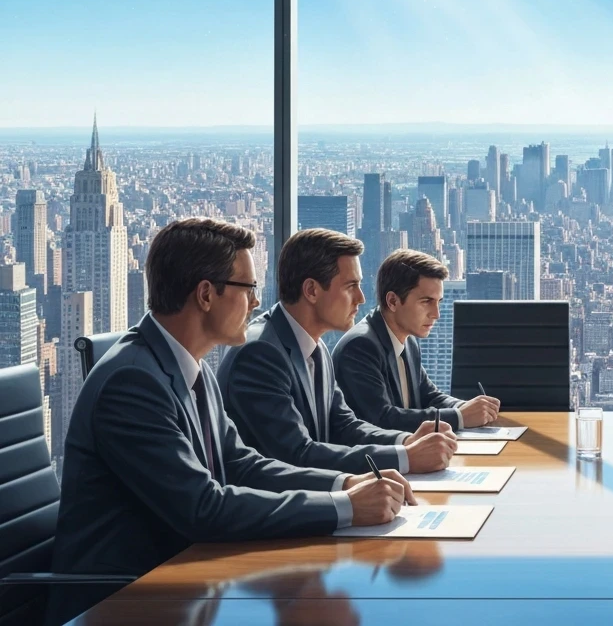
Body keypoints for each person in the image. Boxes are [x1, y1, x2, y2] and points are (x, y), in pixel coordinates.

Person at [51, 219, 407, 622]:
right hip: (122, 602)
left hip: (187, 583)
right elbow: (203, 507)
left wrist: (344, 483)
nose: (257, 303)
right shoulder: (132, 383)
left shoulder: (189, 367)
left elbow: (241, 464)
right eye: (248, 288)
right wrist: (343, 507)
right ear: (206, 294)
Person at [217, 229, 456, 475]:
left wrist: (406, 442)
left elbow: (344, 426)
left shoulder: (316, 347)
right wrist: (405, 457)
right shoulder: (260, 354)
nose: (361, 298)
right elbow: (297, 454)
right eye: (351, 286)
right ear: (311, 290)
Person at [334, 249, 500, 431]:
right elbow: (381, 418)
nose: (436, 314)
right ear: (393, 301)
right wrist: (460, 417)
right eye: (426, 301)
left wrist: (466, 407)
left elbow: (429, 396)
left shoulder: (408, 340)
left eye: (439, 302)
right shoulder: (360, 347)